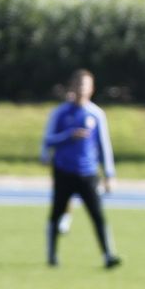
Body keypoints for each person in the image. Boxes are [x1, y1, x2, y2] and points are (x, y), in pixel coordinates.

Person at [40, 69, 121, 269]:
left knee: (98, 216)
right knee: (57, 214)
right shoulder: (60, 113)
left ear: (92, 89)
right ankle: (52, 257)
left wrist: (109, 174)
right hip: (63, 171)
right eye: (78, 84)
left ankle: (108, 255)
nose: (81, 89)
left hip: (88, 173)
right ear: (72, 87)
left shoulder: (96, 114)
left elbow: (104, 146)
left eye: (85, 85)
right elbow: (48, 140)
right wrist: (68, 136)